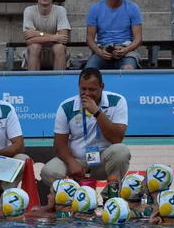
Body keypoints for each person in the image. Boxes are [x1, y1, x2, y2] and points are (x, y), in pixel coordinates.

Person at [40, 67, 131, 203]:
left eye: (92, 89)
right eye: (83, 89)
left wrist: (97, 112)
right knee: (48, 171)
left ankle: (110, 197)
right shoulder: (67, 106)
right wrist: (71, 162)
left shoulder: (117, 101)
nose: (86, 93)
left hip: (103, 160)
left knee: (121, 151)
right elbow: (59, 144)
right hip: (78, 161)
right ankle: (80, 198)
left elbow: (117, 138)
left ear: (102, 87)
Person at [85, 0, 143, 70]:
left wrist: (125, 50)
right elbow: (89, 38)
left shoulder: (133, 8)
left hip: (126, 50)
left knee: (128, 69)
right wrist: (100, 52)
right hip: (103, 49)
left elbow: (138, 39)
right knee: (89, 71)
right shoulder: (95, 8)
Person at [22, 0, 71, 71]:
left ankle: (59, 82)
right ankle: (33, 82)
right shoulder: (29, 11)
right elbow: (29, 41)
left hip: (54, 54)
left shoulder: (60, 10)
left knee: (59, 47)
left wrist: (37, 33)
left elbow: (63, 38)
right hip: (36, 54)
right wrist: (54, 38)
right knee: (34, 47)